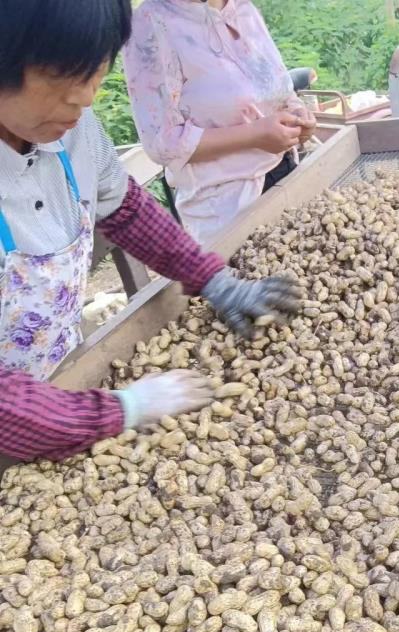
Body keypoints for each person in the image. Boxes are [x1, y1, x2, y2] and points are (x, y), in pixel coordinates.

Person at [0, 0, 300, 464]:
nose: (84, 99)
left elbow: (126, 211)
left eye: (95, 74)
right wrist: (126, 407)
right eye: (62, 81)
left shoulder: (74, 131)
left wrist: (212, 280)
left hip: (58, 376)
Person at [123, 0, 317, 246]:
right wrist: (255, 135)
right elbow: (162, 142)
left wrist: (298, 114)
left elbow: (277, 89)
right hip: (227, 209)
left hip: (286, 179)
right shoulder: (150, 23)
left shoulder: (242, 9)